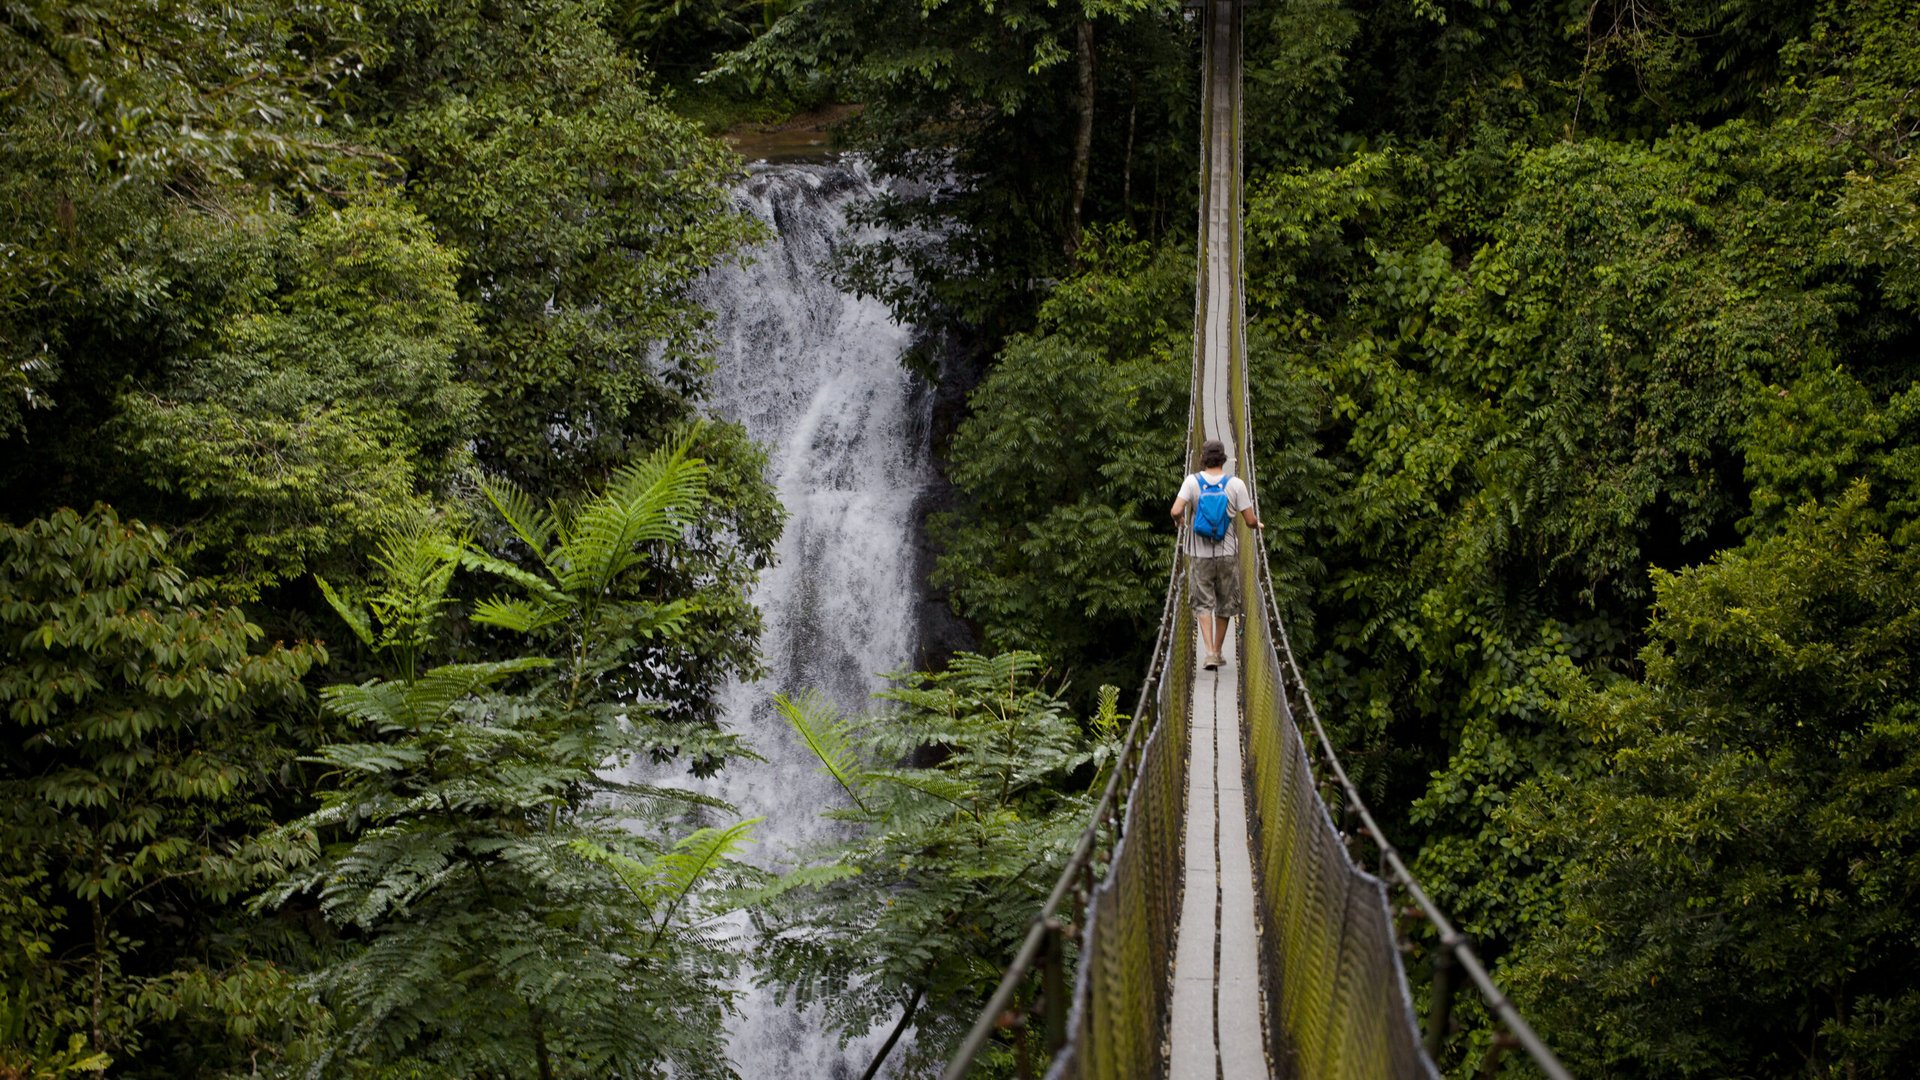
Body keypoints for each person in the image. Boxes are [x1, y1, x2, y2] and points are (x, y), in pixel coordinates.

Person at [1170, 438, 1261, 670]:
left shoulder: (1192, 482)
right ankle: (1218, 651)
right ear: (1223, 459)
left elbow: (1176, 509)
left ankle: (1209, 651)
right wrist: (1256, 525)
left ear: (1203, 458)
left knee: (1203, 604)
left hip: (1199, 555)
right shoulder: (1236, 485)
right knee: (1226, 604)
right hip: (1227, 553)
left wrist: (1180, 520)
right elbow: (1249, 520)